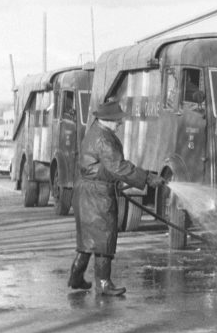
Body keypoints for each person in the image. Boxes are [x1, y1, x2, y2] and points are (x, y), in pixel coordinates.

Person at [67, 99, 164, 296]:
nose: (120, 123)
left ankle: (76, 277)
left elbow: (106, 167)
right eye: (117, 120)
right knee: (104, 238)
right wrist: (146, 178)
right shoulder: (104, 138)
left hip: (87, 193)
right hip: (98, 196)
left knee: (88, 240)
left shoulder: (95, 132)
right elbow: (118, 166)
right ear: (107, 120)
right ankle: (103, 283)